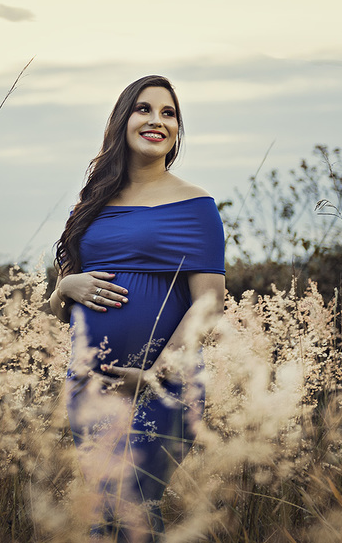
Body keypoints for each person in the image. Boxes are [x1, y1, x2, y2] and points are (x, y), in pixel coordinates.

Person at [48, 75, 226, 542]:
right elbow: (58, 309)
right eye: (144, 109)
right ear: (122, 120)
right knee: (103, 510)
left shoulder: (196, 205)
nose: (157, 120)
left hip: (161, 386)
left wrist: (154, 376)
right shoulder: (91, 204)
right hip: (91, 382)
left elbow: (209, 303)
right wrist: (65, 285)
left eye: (169, 113)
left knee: (132, 504)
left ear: (177, 130)